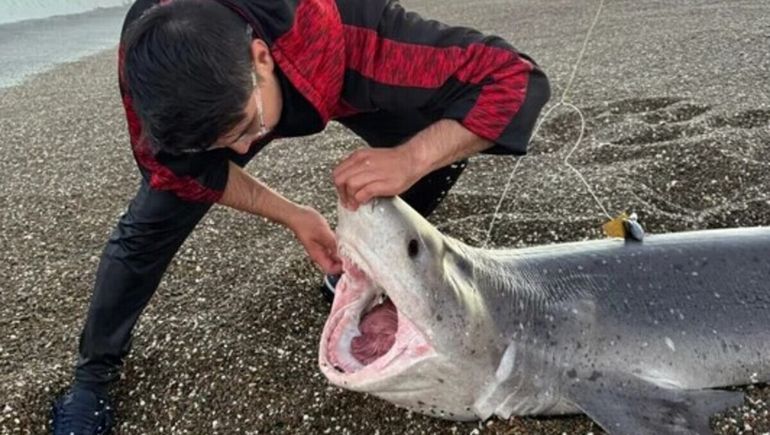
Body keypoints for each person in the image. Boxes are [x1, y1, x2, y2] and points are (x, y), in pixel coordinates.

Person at [51, 0, 550, 432]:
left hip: (330, 55)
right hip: (227, 89)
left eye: (248, 127)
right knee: (148, 224)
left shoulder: (356, 35)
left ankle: (372, 269)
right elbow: (177, 173)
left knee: (436, 132)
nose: (245, 149)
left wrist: (411, 158)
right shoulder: (149, 67)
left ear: (261, 58)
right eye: (220, 144)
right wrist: (292, 214)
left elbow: (514, 80)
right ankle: (93, 373)